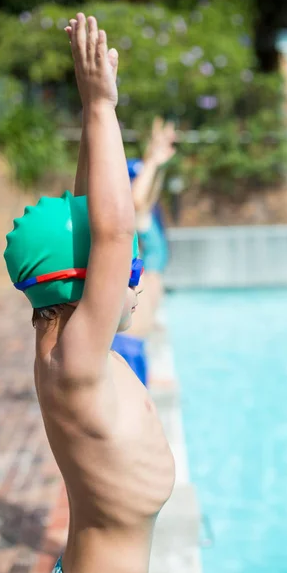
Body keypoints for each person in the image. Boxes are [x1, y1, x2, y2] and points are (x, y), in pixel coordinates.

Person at [4, 13, 175, 573]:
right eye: (124, 270)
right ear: (86, 284)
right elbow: (112, 229)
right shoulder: (74, 362)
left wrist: (91, 115)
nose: (135, 279)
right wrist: (102, 106)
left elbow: (94, 221)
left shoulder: (71, 349)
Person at [112, 120, 176, 386]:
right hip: (132, 337)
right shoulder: (137, 219)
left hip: (141, 330)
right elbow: (137, 197)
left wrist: (156, 153)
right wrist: (153, 161)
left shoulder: (148, 217)